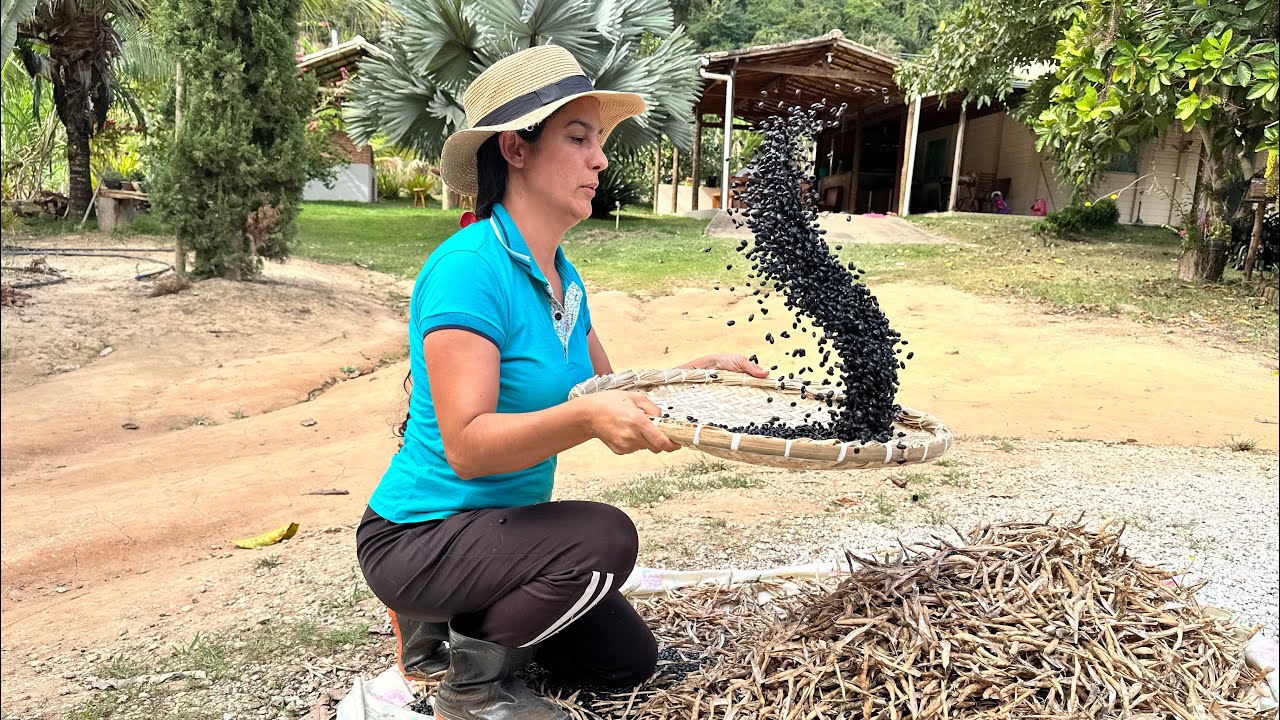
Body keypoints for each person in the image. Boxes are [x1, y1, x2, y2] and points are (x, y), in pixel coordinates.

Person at [355, 44, 767, 720]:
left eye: (598, 142)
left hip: (500, 534)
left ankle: (469, 627)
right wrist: (584, 421)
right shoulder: (469, 269)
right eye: (578, 139)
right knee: (606, 539)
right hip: (419, 538)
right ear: (515, 149)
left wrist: (694, 375)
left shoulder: (561, 277)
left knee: (625, 663)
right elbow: (467, 446)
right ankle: (468, 687)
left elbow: (610, 385)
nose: (600, 160)